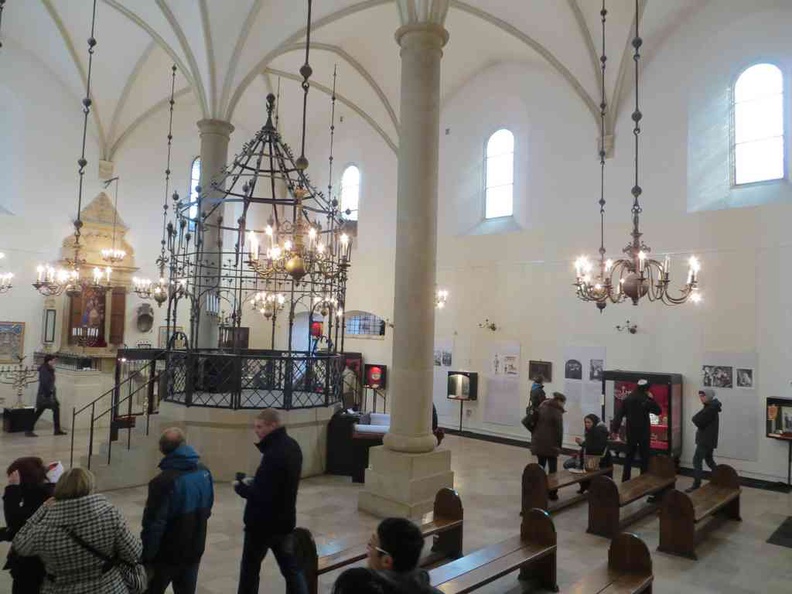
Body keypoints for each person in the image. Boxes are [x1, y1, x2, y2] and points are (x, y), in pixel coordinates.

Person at [12, 467, 146, 594]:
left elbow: (20, 545)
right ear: (90, 488)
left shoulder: (43, 529)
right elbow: (134, 552)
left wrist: (43, 509)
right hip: (108, 587)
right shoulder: (110, 515)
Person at [234, 409, 308, 594]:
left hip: (262, 525)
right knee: (291, 569)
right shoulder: (293, 445)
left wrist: (240, 487)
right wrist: (257, 480)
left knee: (249, 570)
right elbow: (276, 483)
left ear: (272, 425)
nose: (256, 431)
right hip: (285, 520)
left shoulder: (274, 453)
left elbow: (262, 494)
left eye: (260, 427)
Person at [142, 428, 214, 594]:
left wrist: (147, 556)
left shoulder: (162, 482)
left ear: (162, 450)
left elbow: (154, 525)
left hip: (166, 555)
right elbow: (208, 508)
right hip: (194, 548)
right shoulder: (204, 471)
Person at [333, 517, 441, 594]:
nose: (368, 550)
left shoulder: (354, 584)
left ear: (386, 561)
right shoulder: (425, 587)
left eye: (371, 544)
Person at [1, 457, 55, 594]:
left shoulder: (39, 501)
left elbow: (16, 525)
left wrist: (12, 490)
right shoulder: (46, 493)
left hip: (31, 569)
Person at [611, 379, 661, 482]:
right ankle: (643, 479)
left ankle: (625, 480)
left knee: (629, 456)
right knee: (644, 456)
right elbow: (658, 411)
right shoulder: (646, 399)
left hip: (631, 431)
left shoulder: (628, 399)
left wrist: (614, 430)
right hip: (643, 431)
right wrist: (651, 399)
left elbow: (619, 415)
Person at [531, 392, 566, 500]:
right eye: (563, 403)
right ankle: (552, 493)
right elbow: (559, 431)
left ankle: (538, 489)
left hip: (538, 442)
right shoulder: (557, 411)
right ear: (560, 401)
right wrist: (559, 447)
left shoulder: (542, 405)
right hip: (551, 445)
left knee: (541, 466)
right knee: (552, 470)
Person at [687, 388, 722, 493]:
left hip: (705, 440)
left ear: (709, 396)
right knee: (709, 460)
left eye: (703, 396)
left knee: (697, 460)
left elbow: (697, 420)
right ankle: (720, 478)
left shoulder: (711, 408)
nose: (701, 398)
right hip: (708, 439)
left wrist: (696, 418)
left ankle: (697, 484)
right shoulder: (711, 407)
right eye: (700, 396)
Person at [27, 355, 67, 437]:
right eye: (54, 360)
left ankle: (57, 430)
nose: (55, 362)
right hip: (45, 395)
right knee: (41, 411)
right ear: (49, 361)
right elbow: (44, 382)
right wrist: (48, 393)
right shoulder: (45, 369)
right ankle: (28, 430)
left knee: (52, 410)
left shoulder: (49, 369)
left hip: (49, 394)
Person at [573, 414, 612, 494]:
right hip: (593, 458)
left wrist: (583, 443)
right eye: (585, 422)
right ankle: (585, 486)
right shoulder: (594, 430)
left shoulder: (598, 431)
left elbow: (596, 448)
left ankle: (587, 487)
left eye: (589, 422)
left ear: (594, 422)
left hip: (598, 460)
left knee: (575, 466)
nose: (587, 424)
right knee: (573, 465)